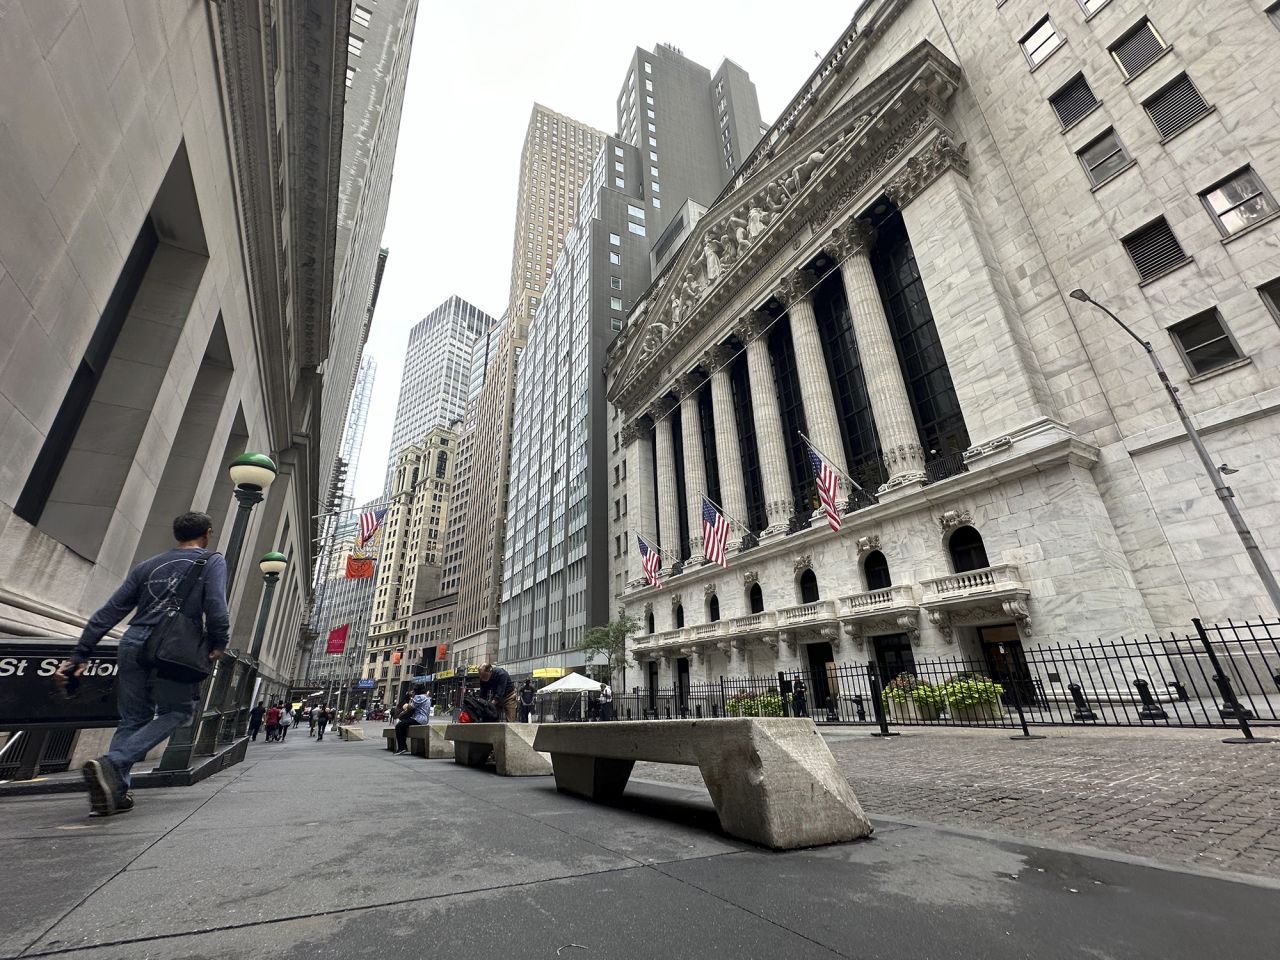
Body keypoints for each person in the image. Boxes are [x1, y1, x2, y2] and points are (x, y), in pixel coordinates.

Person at [54, 511, 229, 818]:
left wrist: (80, 655)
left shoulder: (147, 566)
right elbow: (216, 604)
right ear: (207, 534)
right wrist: (218, 642)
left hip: (133, 642)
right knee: (178, 711)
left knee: (132, 718)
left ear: (177, 535)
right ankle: (114, 761)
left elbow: (108, 612)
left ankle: (115, 795)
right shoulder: (211, 561)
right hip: (174, 646)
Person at [394, 683, 432, 755]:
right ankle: (402, 747)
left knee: (399, 726)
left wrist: (409, 701)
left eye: (414, 690)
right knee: (404, 724)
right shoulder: (426, 697)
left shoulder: (419, 697)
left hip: (418, 719)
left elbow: (409, 708)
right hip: (424, 719)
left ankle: (402, 747)